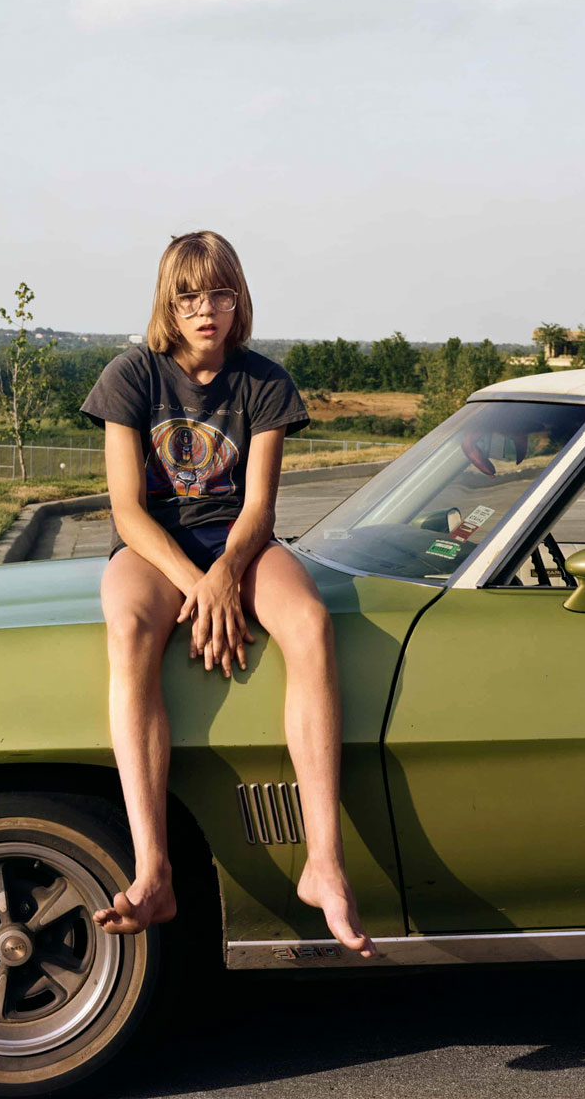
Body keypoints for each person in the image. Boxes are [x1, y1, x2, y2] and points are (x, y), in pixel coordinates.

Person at [78, 230, 375, 958]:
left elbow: (258, 511)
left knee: (307, 621)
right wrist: (195, 586)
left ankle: (324, 864)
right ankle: (153, 872)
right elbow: (126, 511)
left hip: (239, 544)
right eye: (187, 296)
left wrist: (224, 577)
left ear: (238, 299)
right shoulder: (131, 376)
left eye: (219, 293)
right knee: (128, 631)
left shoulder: (264, 383)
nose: (204, 309)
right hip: (156, 548)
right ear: (167, 304)